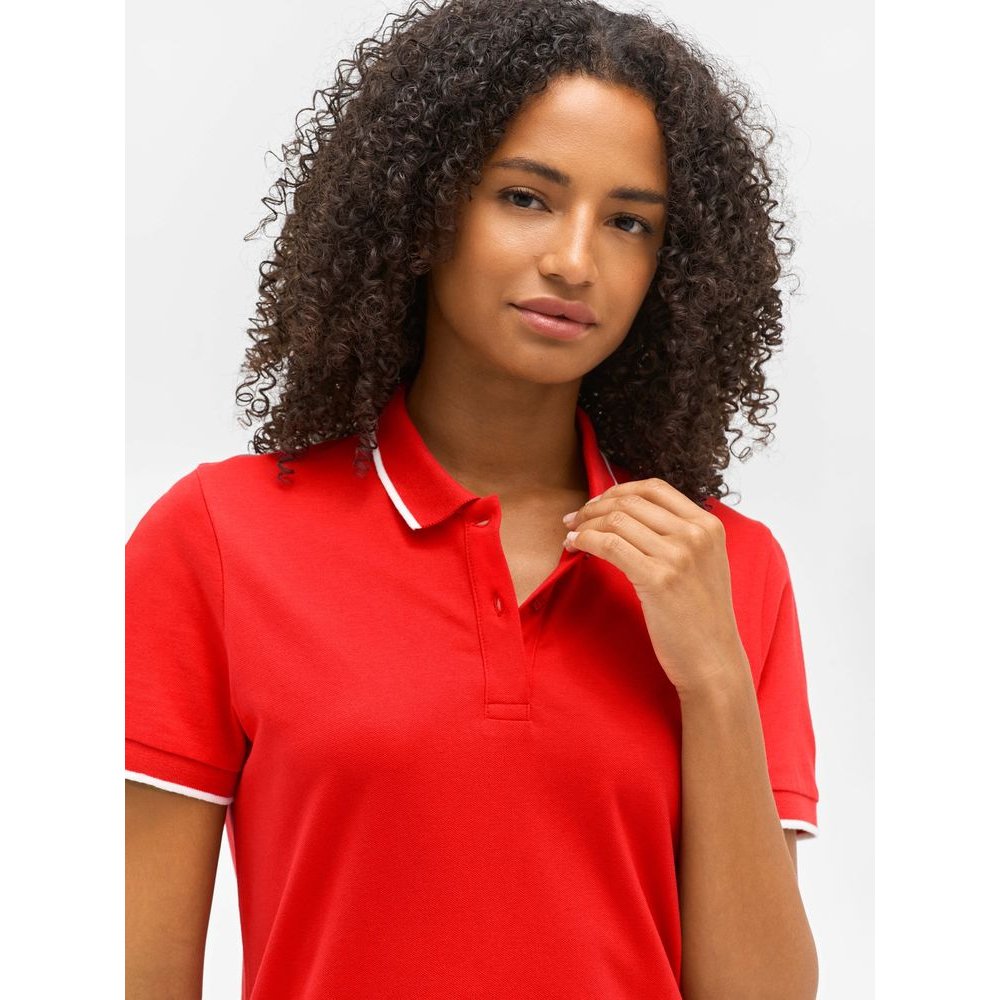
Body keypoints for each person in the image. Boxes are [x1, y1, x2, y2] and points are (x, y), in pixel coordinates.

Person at [125, 1, 820, 997]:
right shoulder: (220, 537)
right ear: (424, 205)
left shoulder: (723, 567)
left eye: (629, 222)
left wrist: (713, 676)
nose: (574, 261)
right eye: (526, 198)